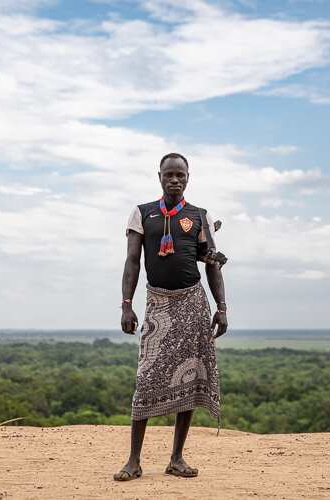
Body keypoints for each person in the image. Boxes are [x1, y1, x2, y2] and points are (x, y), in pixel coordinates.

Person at [114, 152, 228, 481]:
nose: (175, 179)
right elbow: (132, 261)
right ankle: (133, 461)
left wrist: (221, 307)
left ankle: (176, 458)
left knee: (189, 377)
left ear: (188, 177)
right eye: (169, 174)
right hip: (157, 304)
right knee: (147, 376)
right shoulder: (143, 213)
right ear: (159, 177)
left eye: (181, 174)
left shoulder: (199, 216)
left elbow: (211, 264)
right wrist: (126, 303)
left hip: (193, 302)